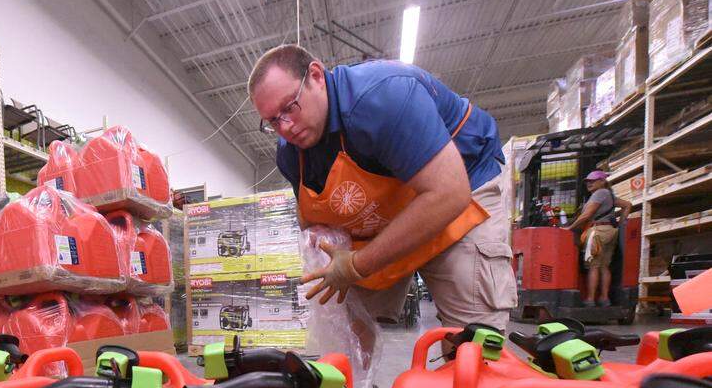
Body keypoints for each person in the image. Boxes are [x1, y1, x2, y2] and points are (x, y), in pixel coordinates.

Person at [248, 44, 517, 335]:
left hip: (460, 196)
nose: (285, 126)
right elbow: (314, 223)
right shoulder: (291, 153)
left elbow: (448, 193)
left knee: (472, 342)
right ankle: (360, 382)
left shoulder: (382, 97)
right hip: (385, 213)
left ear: (316, 76)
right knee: (351, 328)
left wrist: (357, 265)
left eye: (289, 107)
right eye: (273, 120)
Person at [566, 170, 632, 307]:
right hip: (609, 231)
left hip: (597, 232)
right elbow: (627, 205)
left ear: (602, 181)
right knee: (604, 266)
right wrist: (621, 224)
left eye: (593, 181)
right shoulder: (609, 195)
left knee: (593, 266)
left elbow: (586, 216)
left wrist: (570, 228)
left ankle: (590, 299)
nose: (589, 183)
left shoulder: (600, 193)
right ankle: (604, 299)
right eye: (587, 181)